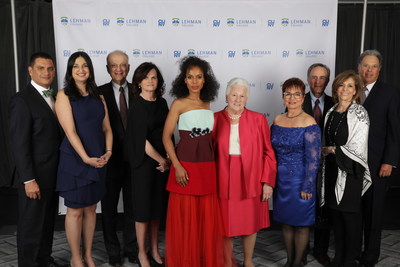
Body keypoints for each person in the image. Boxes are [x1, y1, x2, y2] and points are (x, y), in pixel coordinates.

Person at [162, 56, 230, 266]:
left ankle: (201, 258)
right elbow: (166, 137)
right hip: (185, 166)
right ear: (183, 80)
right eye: (190, 76)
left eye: (198, 77)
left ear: (205, 80)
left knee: (204, 218)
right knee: (186, 218)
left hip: (207, 167)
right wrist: (177, 165)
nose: (194, 81)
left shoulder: (208, 103)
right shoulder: (178, 103)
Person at [55, 51, 113, 267]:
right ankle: (75, 257)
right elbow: (70, 132)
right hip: (75, 161)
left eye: (85, 65)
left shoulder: (100, 97)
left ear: (90, 69)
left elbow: (107, 129)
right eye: (76, 66)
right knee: (75, 211)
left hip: (98, 159)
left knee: (91, 209)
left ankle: (88, 254)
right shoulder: (63, 95)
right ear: (70, 70)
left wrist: (108, 152)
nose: (81, 69)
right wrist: (86, 158)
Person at [212, 77, 277, 267]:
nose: (238, 99)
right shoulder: (214, 119)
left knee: (249, 225)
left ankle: (248, 262)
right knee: (226, 225)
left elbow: (268, 152)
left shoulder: (258, 119)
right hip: (223, 177)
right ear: (226, 95)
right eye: (234, 94)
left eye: (242, 96)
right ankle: (227, 262)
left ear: (247, 98)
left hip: (251, 177)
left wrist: (267, 182)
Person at [9, 52, 63, 267]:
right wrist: (28, 179)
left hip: (52, 175)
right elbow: (19, 144)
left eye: (50, 68)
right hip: (34, 177)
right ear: (30, 70)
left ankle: (44, 259)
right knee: (31, 226)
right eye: (41, 68)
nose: (46, 72)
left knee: (47, 223)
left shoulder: (56, 97)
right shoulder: (22, 100)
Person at [321, 70, 371, 267]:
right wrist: (327, 151)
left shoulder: (359, 112)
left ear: (356, 90)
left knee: (349, 218)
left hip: (351, 172)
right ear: (336, 88)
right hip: (333, 171)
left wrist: (333, 149)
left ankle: (349, 260)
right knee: (336, 216)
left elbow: (359, 146)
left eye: (350, 86)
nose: (345, 89)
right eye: (342, 85)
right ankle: (339, 258)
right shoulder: (332, 112)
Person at [271, 78, 321, 267]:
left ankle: (298, 262)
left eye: (297, 94)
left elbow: (314, 158)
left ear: (303, 96)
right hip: (281, 180)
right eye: (288, 94)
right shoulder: (277, 119)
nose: (292, 98)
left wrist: (308, 184)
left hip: (301, 180)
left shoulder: (309, 121)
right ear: (282, 96)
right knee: (285, 222)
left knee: (301, 224)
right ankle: (290, 260)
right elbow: (270, 152)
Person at [124, 62, 170, 267]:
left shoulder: (162, 103)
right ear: (139, 82)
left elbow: (167, 134)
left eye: (153, 77)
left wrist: (168, 158)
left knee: (156, 210)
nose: (150, 81)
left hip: (162, 165)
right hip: (143, 164)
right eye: (146, 78)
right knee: (143, 211)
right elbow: (141, 141)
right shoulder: (136, 105)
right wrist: (162, 160)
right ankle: (142, 253)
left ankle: (154, 250)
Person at [358, 50, 400, 267]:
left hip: (377, 164)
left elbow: (395, 130)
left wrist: (389, 161)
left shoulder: (389, 93)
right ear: (359, 67)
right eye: (366, 65)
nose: (369, 70)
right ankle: (353, 251)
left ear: (379, 69)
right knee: (354, 211)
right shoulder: (351, 90)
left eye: (373, 66)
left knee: (374, 214)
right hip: (352, 166)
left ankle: (370, 255)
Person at [98, 50, 137, 266]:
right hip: (109, 161)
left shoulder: (138, 90)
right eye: (114, 65)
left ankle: (131, 248)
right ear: (107, 68)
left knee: (132, 207)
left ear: (129, 67)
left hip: (134, 162)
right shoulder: (98, 92)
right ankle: (113, 251)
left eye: (123, 64)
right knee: (109, 209)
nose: (119, 69)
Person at [304, 63, 334, 266]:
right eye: (314, 77)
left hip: (329, 164)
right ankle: (302, 248)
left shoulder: (336, 102)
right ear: (308, 79)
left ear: (328, 80)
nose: (317, 81)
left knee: (324, 208)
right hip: (304, 164)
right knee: (305, 205)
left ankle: (320, 250)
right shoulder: (297, 100)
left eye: (322, 77)